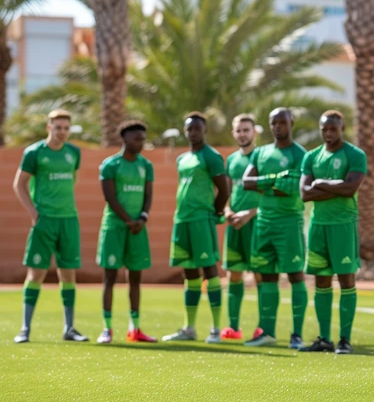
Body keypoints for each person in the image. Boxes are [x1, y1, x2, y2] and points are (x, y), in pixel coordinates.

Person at [13, 109, 88, 343]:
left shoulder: (74, 152)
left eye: (66, 128)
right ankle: (25, 329)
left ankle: (69, 328)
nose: (62, 132)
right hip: (44, 221)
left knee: (68, 274)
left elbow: (73, 181)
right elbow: (19, 184)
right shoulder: (34, 152)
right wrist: (34, 212)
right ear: (49, 128)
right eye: (58, 128)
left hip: (68, 220)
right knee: (36, 273)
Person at [299, 110, 366, 354]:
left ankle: (345, 340)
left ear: (342, 128)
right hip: (318, 226)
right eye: (324, 129)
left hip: (343, 226)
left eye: (333, 129)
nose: (328, 133)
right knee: (321, 280)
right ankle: (325, 339)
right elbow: (304, 194)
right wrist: (336, 186)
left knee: (346, 279)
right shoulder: (311, 157)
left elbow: (350, 189)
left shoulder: (355, 155)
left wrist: (321, 183)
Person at [242, 107, 307, 348]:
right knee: (266, 277)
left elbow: (291, 187)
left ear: (292, 123)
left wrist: (266, 183)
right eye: (273, 122)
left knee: (295, 275)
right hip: (264, 222)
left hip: (289, 222)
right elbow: (247, 183)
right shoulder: (259, 153)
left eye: (282, 122)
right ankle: (266, 332)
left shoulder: (300, 154)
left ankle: (297, 335)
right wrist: (276, 179)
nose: (277, 126)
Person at [163, 112, 229, 343]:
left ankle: (215, 329)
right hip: (182, 221)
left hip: (202, 220)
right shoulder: (182, 159)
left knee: (209, 271)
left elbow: (224, 189)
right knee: (189, 273)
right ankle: (189, 328)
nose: (192, 133)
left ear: (205, 130)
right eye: (189, 129)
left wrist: (216, 213)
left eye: (197, 129)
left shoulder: (211, 156)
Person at [96, 120, 156, 344]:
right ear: (125, 139)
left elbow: (148, 196)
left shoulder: (146, 166)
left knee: (135, 278)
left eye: (143, 138)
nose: (141, 142)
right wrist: (128, 221)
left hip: (138, 228)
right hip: (114, 227)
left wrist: (142, 218)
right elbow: (110, 197)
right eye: (136, 138)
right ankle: (107, 328)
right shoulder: (110, 165)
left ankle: (135, 328)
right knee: (109, 277)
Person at [221, 114, 263, 341]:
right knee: (233, 274)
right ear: (233, 133)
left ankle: (262, 327)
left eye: (246, 130)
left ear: (254, 131)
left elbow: (268, 194)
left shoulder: (262, 157)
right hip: (234, 225)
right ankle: (233, 327)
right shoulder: (231, 160)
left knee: (260, 276)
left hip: (256, 224)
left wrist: (250, 214)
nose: (242, 134)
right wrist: (227, 210)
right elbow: (227, 192)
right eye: (238, 130)